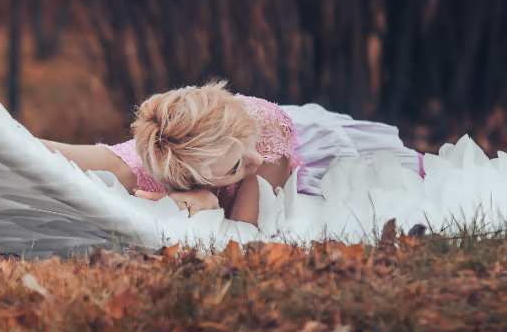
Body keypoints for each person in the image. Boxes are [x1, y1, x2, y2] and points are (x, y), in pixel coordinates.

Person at [41, 81, 423, 225]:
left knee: (405, 176)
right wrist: (177, 198)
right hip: (186, 164)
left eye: (243, 152)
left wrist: (172, 201)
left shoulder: (265, 148)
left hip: (308, 151)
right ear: (198, 177)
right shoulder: (140, 162)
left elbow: (243, 236)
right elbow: (34, 151)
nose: (251, 161)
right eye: (236, 166)